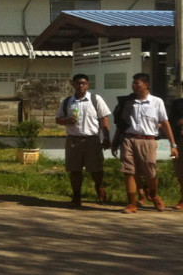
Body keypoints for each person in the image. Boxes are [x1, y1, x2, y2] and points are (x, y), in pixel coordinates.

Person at [110, 73, 177, 214]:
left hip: (148, 141)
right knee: (129, 171)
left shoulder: (156, 102)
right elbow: (121, 124)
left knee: (150, 173)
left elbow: (165, 123)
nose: (134, 86)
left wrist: (173, 145)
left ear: (146, 85)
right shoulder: (128, 102)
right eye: (133, 83)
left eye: (137, 83)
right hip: (129, 139)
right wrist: (115, 141)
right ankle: (132, 203)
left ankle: (154, 195)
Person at [54, 74, 111, 208]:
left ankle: (99, 188)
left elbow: (104, 118)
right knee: (74, 169)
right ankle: (76, 195)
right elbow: (58, 119)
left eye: (83, 83)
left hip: (92, 140)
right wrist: (66, 120)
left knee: (96, 169)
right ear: (73, 84)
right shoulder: (67, 101)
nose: (81, 86)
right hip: (73, 140)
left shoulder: (95, 99)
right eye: (78, 83)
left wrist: (106, 137)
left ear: (88, 85)